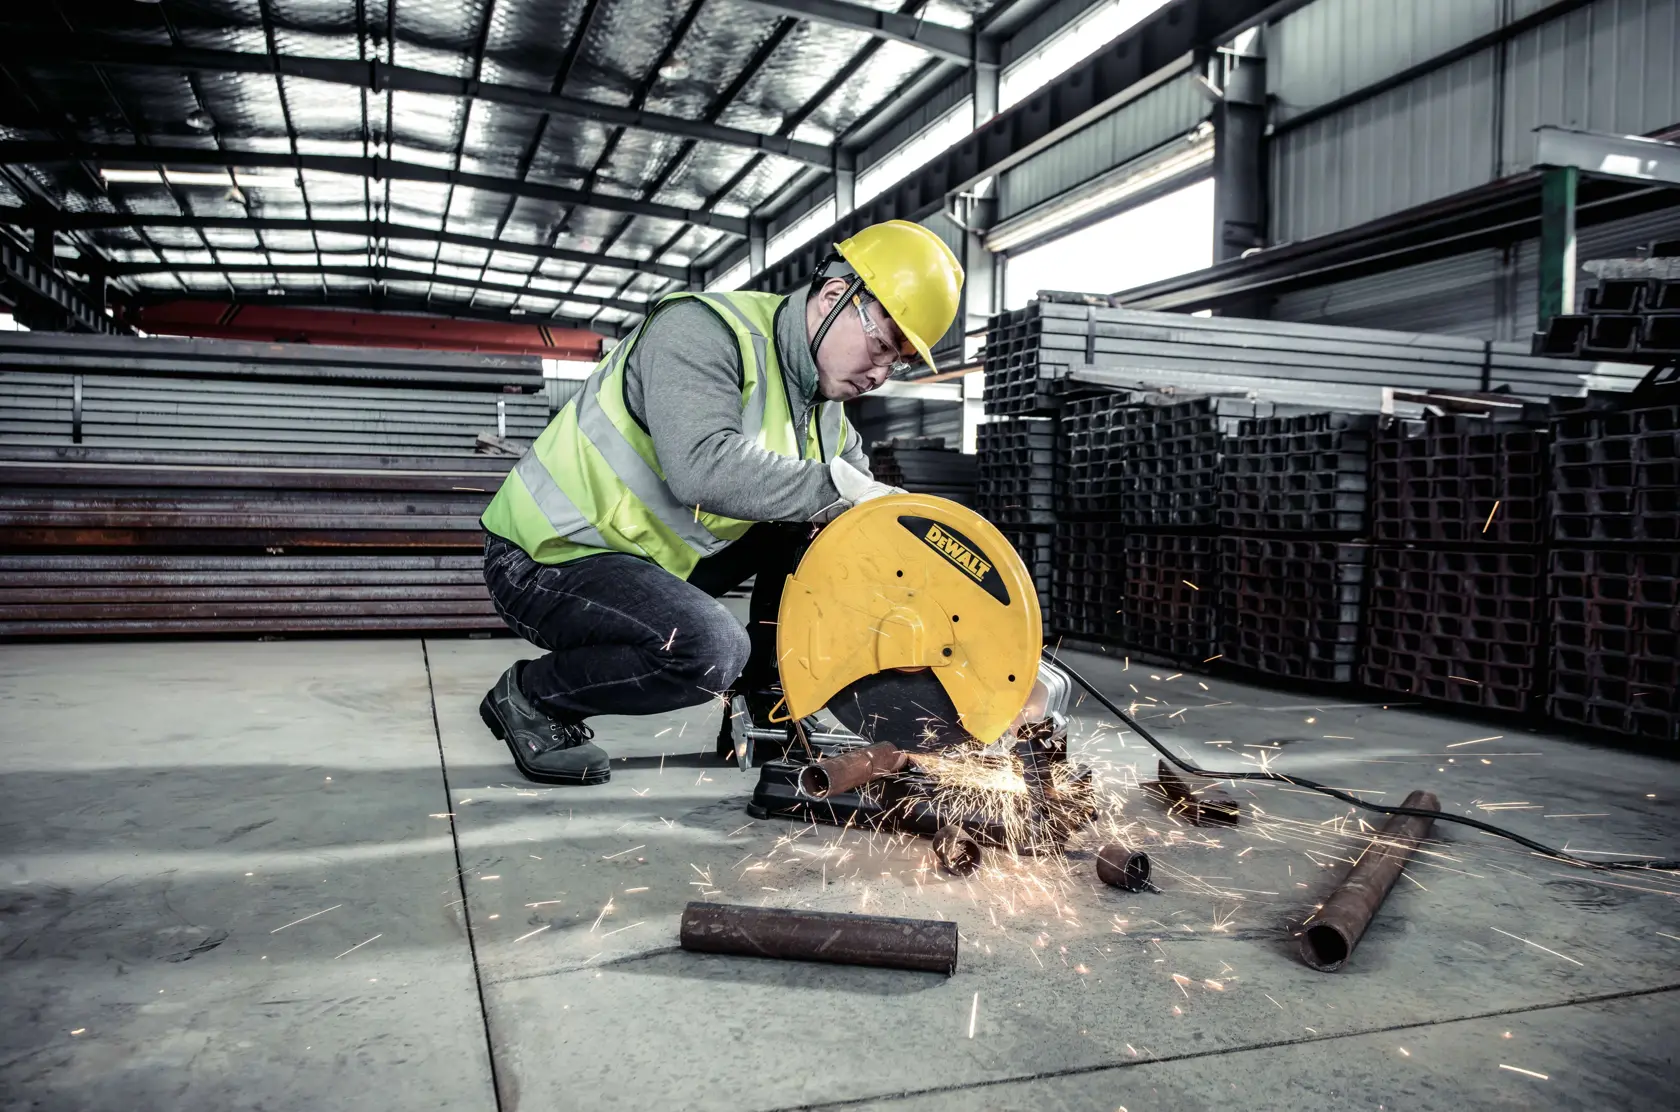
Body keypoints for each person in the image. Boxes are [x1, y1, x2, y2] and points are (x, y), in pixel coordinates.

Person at [476, 219, 965, 784]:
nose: (881, 373)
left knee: (817, 532)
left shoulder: (829, 422)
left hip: (653, 561)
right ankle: (533, 697)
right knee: (709, 649)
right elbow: (701, 466)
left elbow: (867, 533)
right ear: (835, 297)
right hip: (549, 555)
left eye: (897, 362)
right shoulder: (701, 330)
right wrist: (842, 491)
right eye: (881, 345)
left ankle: (771, 707)